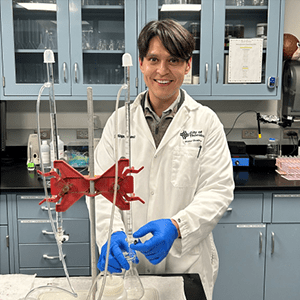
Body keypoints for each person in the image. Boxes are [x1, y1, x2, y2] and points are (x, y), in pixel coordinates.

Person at [86, 19, 234, 300]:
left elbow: (218, 190)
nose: (162, 71)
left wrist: (178, 225)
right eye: (154, 59)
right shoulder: (119, 122)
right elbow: (100, 190)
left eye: (174, 60)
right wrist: (111, 234)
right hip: (130, 266)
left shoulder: (206, 122)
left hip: (186, 264)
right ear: (141, 63)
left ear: (187, 65)